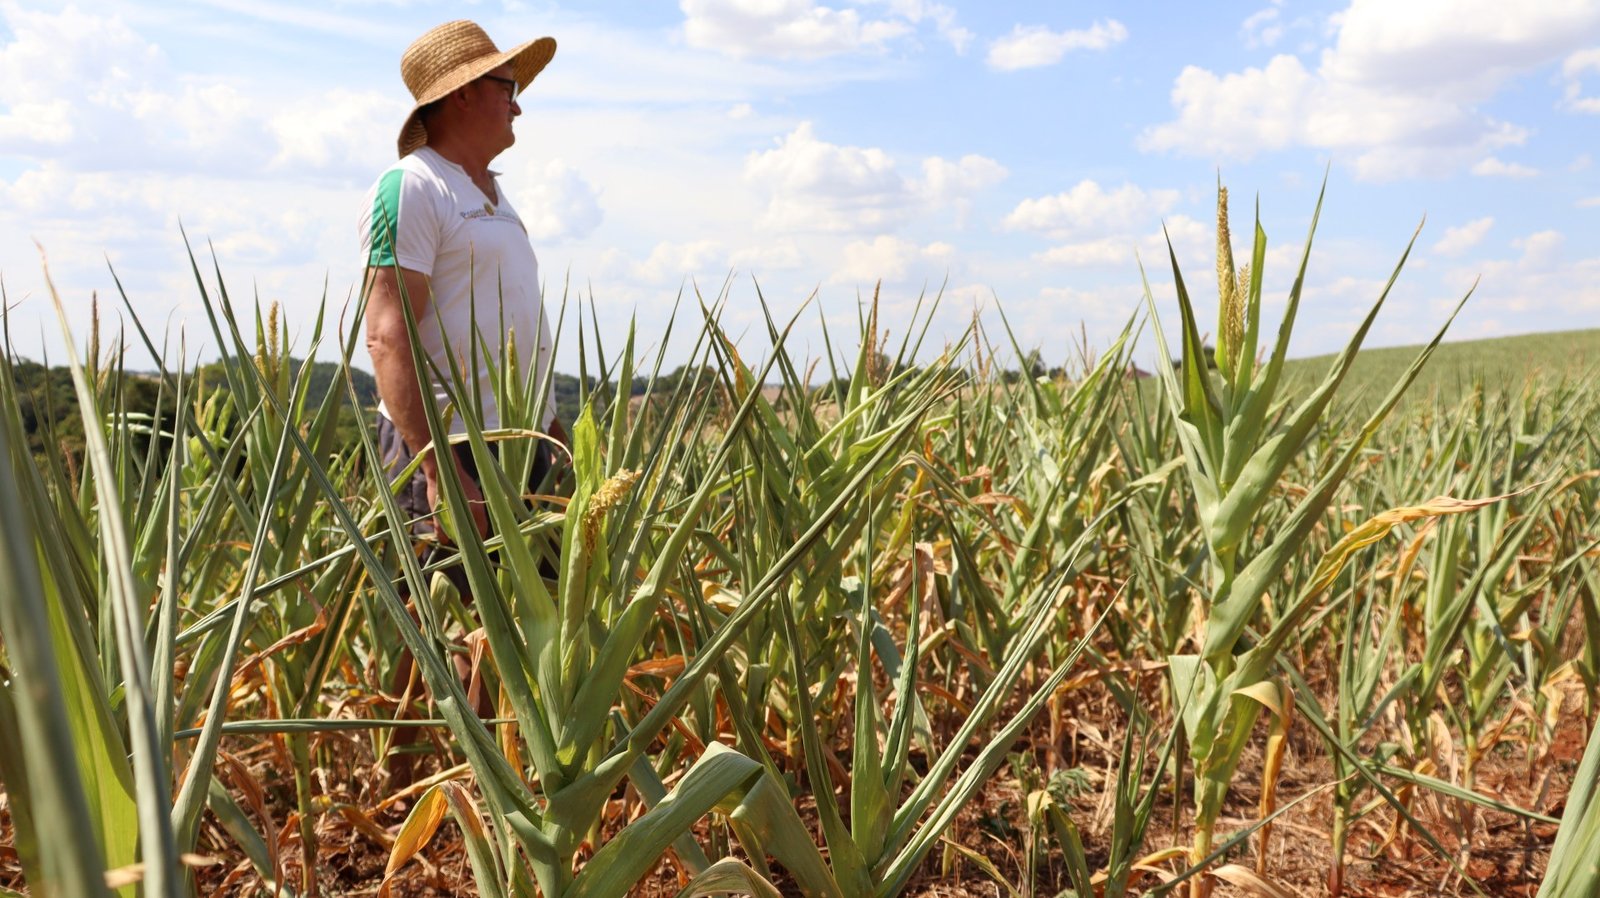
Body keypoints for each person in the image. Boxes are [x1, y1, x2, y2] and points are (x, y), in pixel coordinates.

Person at [357, 19, 566, 774]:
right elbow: (387, 336)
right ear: (464, 94)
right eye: (508, 87)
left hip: (523, 448)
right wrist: (439, 469)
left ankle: (497, 782)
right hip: (448, 448)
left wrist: (551, 431)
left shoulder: (495, 197)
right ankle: (406, 786)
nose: (518, 104)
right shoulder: (411, 187)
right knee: (441, 626)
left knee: (527, 629)